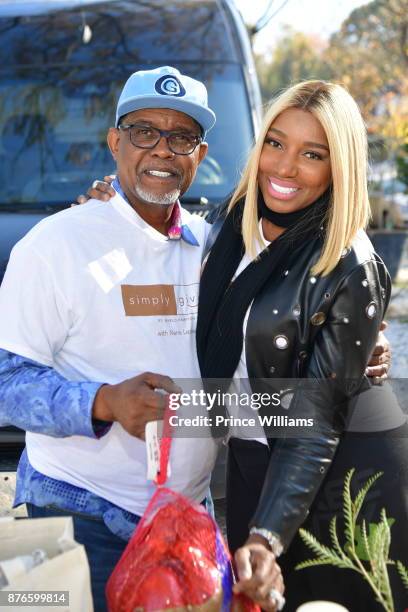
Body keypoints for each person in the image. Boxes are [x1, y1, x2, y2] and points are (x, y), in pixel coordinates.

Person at [0, 66, 283, 612]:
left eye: (180, 137)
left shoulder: (213, 247)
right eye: (144, 132)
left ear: (199, 155)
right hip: (79, 513)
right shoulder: (54, 245)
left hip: (187, 518)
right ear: (115, 142)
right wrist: (104, 401)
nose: (162, 150)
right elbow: (7, 381)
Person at [194, 80, 408, 611]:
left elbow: (315, 423)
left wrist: (268, 535)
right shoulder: (230, 221)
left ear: (340, 168)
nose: (285, 168)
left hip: (347, 474)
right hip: (255, 453)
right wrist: (106, 206)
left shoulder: (348, 262)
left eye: (312, 154)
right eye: (275, 143)